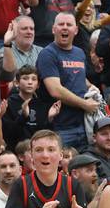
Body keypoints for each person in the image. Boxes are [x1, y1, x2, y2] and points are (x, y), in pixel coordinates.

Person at [37, 12, 97, 150]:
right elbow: (55, 90)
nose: (65, 28)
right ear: (53, 29)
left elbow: (79, 76)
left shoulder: (80, 53)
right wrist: (84, 104)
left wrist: (92, 86)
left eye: (69, 25)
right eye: (61, 24)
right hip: (61, 126)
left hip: (83, 124)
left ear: (75, 30)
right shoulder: (48, 54)